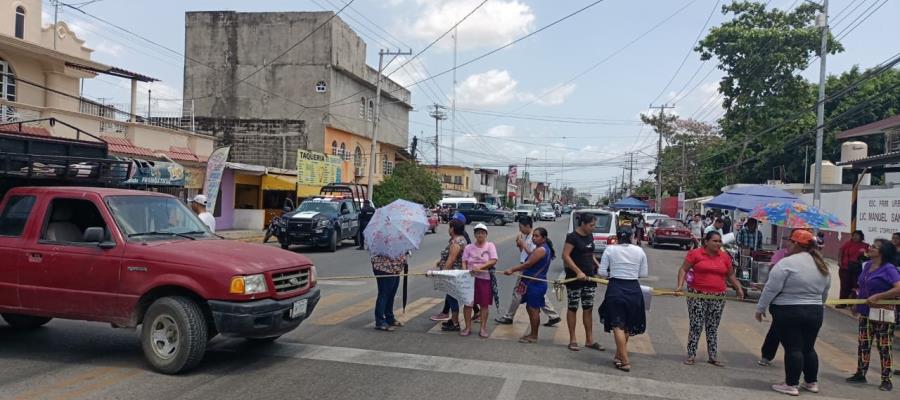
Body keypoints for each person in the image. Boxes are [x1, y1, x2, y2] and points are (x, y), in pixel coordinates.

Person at [754, 230, 831, 396]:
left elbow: (771, 288)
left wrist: (761, 308)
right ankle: (811, 382)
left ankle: (791, 384)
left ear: (796, 244)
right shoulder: (821, 264)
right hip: (815, 311)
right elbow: (825, 291)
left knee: (793, 348)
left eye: (790, 241)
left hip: (789, 310)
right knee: (808, 348)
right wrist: (819, 306)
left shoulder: (787, 263)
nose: (787, 244)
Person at [676, 230, 744, 366]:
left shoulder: (725, 257)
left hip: (718, 296)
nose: (718, 244)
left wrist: (738, 288)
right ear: (706, 242)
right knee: (696, 325)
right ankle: (691, 355)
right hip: (697, 295)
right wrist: (679, 286)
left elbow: (730, 275)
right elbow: (683, 269)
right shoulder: (695, 254)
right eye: (715, 241)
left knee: (712, 326)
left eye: (719, 241)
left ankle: (712, 356)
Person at [846, 239, 900, 392]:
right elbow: (862, 286)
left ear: (882, 253)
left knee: (884, 347)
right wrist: (857, 304)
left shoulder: (889, 269)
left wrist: (879, 296)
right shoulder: (868, 265)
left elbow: (898, 288)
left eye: (874, 247)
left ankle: (886, 379)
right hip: (865, 312)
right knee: (864, 344)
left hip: (882, 312)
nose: (870, 248)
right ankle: (860, 373)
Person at [597, 228, 649, 372]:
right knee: (626, 325)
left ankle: (625, 360)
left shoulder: (610, 250)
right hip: (633, 288)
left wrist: (613, 271)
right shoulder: (639, 251)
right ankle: (619, 355)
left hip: (616, 288)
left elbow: (601, 272)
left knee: (617, 325)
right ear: (632, 237)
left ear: (617, 238)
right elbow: (643, 273)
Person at [495, 216, 562, 326]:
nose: (520, 229)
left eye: (521, 227)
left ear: (527, 226)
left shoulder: (536, 244)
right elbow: (526, 255)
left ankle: (509, 316)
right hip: (530, 273)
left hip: (529, 273)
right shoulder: (531, 239)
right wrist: (520, 246)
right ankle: (553, 315)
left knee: (519, 294)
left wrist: (512, 268)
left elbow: (531, 258)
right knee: (538, 296)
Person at [503, 227, 555, 344]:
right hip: (532, 283)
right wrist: (523, 246)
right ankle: (533, 333)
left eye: (537, 236)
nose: (534, 238)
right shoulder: (540, 249)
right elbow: (531, 256)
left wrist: (512, 269)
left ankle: (534, 336)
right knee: (530, 308)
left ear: (544, 238)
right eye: (534, 236)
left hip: (535, 284)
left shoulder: (541, 249)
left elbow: (527, 264)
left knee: (533, 310)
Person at [562, 212, 603, 352]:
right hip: (575, 278)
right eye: (592, 225)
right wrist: (578, 271)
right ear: (583, 224)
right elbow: (565, 256)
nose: (594, 227)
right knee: (573, 307)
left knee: (588, 308)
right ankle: (573, 339)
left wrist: (599, 267)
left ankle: (589, 340)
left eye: (594, 225)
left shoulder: (590, 235)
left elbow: (590, 254)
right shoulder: (572, 237)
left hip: (590, 278)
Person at [431, 214, 471, 323]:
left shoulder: (456, 242)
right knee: (451, 296)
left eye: (449, 227)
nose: (449, 229)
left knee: (452, 297)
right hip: (454, 272)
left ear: (452, 229)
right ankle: (454, 320)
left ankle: (454, 321)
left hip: (452, 273)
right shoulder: (460, 239)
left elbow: (451, 259)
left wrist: (442, 273)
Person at [461, 223, 498, 338]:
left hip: (485, 279)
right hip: (471, 279)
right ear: (475, 234)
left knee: (484, 305)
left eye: (482, 233)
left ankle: (483, 328)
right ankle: (467, 327)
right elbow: (464, 261)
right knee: (468, 304)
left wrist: (480, 268)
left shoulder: (490, 246)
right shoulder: (469, 247)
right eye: (478, 233)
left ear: (486, 234)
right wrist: (465, 272)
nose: (480, 235)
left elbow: (493, 260)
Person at [372, 253, 408, 331]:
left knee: (391, 295)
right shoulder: (381, 242)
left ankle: (390, 318)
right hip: (385, 268)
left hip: (395, 268)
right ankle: (380, 321)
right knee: (384, 294)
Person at [838, 231, 869, 300]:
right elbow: (841, 251)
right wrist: (839, 261)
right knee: (844, 285)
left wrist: (864, 252)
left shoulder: (865, 245)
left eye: (857, 235)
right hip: (845, 267)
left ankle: (852, 302)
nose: (855, 237)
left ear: (861, 237)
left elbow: (868, 257)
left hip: (857, 269)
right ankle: (842, 302)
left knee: (855, 285)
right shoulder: (848, 243)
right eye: (854, 235)